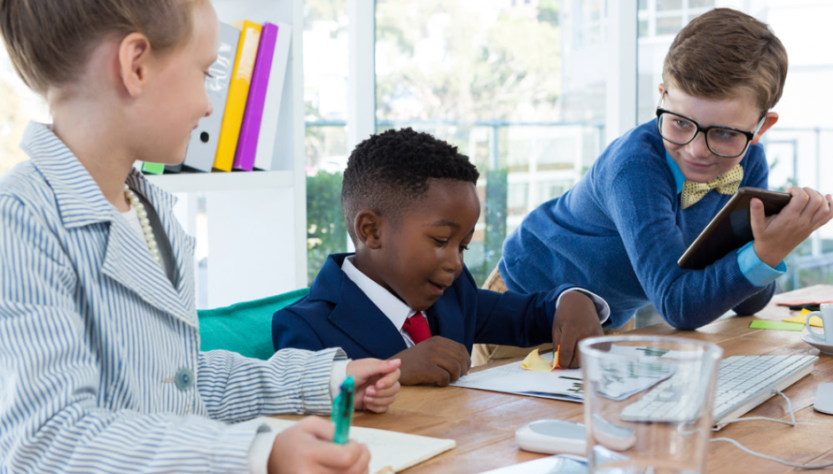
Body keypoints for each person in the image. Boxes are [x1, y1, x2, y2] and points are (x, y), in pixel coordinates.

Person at [0, 1, 400, 473]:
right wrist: (254, 454)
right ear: (136, 66)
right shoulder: (21, 221)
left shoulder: (150, 211)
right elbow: (49, 440)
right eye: (205, 73)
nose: (210, 104)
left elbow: (181, 381)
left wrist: (326, 377)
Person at [493, 8, 832, 345]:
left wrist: (770, 246)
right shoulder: (635, 167)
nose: (698, 150)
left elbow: (747, 302)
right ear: (662, 96)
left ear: (761, 127)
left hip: (608, 317)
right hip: (527, 306)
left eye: (725, 133)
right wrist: (763, 253)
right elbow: (678, 306)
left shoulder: (748, 163)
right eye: (681, 123)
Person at [272, 128, 610, 385]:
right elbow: (306, 399)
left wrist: (572, 300)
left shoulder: (454, 294)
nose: (455, 262)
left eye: (462, 246)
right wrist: (395, 372)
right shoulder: (305, 326)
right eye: (440, 240)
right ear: (371, 231)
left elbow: (526, 316)